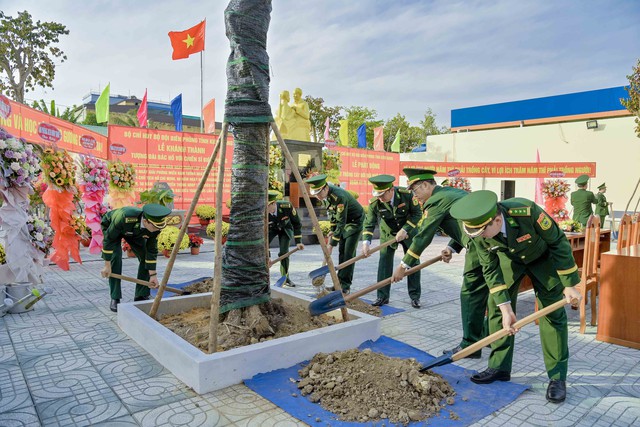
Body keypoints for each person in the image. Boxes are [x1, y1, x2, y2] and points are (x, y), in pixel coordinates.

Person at [450, 190, 582, 404]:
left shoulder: (525, 211)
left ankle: (557, 378)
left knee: (553, 316)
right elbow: (490, 269)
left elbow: (558, 241)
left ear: (497, 220)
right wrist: (506, 308)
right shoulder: (479, 232)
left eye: (483, 232)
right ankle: (499, 366)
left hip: (543, 259)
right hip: (509, 261)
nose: (480, 237)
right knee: (496, 308)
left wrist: (570, 285)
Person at [391, 169, 488, 355]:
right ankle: (487, 336)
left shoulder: (435, 201)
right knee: (487, 294)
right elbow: (463, 224)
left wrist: (403, 265)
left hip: (479, 248)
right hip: (483, 243)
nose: (414, 196)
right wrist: (452, 248)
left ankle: (470, 346)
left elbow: (423, 236)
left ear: (426, 185)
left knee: (470, 295)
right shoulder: (451, 193)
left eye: (415, 190)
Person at [362, 174, 422, 308]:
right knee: (384, 262)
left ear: (391, 190)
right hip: (388, 233)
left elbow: (417, 214)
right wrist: (366, 243)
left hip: (409, 233)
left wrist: (405, 229)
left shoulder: (406, 195)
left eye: (383, 195)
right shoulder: (375, 202)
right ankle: (382, 296)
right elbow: (369, 223)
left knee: (413, 262)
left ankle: (415, 296)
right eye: (378, 195)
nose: (380, 198)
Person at [100, 204, 171, 312]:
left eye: (159, 227)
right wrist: (107, 265)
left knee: (144, 256)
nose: (157, 230)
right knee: (115, 259)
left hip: (134, 232)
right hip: (113, 227)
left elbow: (151, 251)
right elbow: (109, 239)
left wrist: (153, 275)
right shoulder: (124, 216)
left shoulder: (154, 226)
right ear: (146, 222)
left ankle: (141, 295)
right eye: (156, 227)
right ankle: (115, 297)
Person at [305, 174, 364, 294]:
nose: (317, 197)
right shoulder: (325, 197)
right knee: (342, 253)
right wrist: (332, 229)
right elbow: (332, 215)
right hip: (344, 222)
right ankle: (338, 285)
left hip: (354, 222)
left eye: (318, 193)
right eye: (315, 194)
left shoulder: (339, 197)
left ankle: (345, 287)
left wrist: (331, 244)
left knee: (348, 254)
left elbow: (341, 222)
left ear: (325, 188)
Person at [268, 190, 304, 286]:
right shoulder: (263, 213)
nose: (266, 208)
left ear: (274, 203)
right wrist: (268, 256)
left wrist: (298, 241)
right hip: (271, 229)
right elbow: (263, 240)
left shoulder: (286, 206)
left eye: (268, 206)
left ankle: (285, 278)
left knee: (284, 253)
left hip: (285, 229)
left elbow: (297, 223)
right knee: (263, 248)